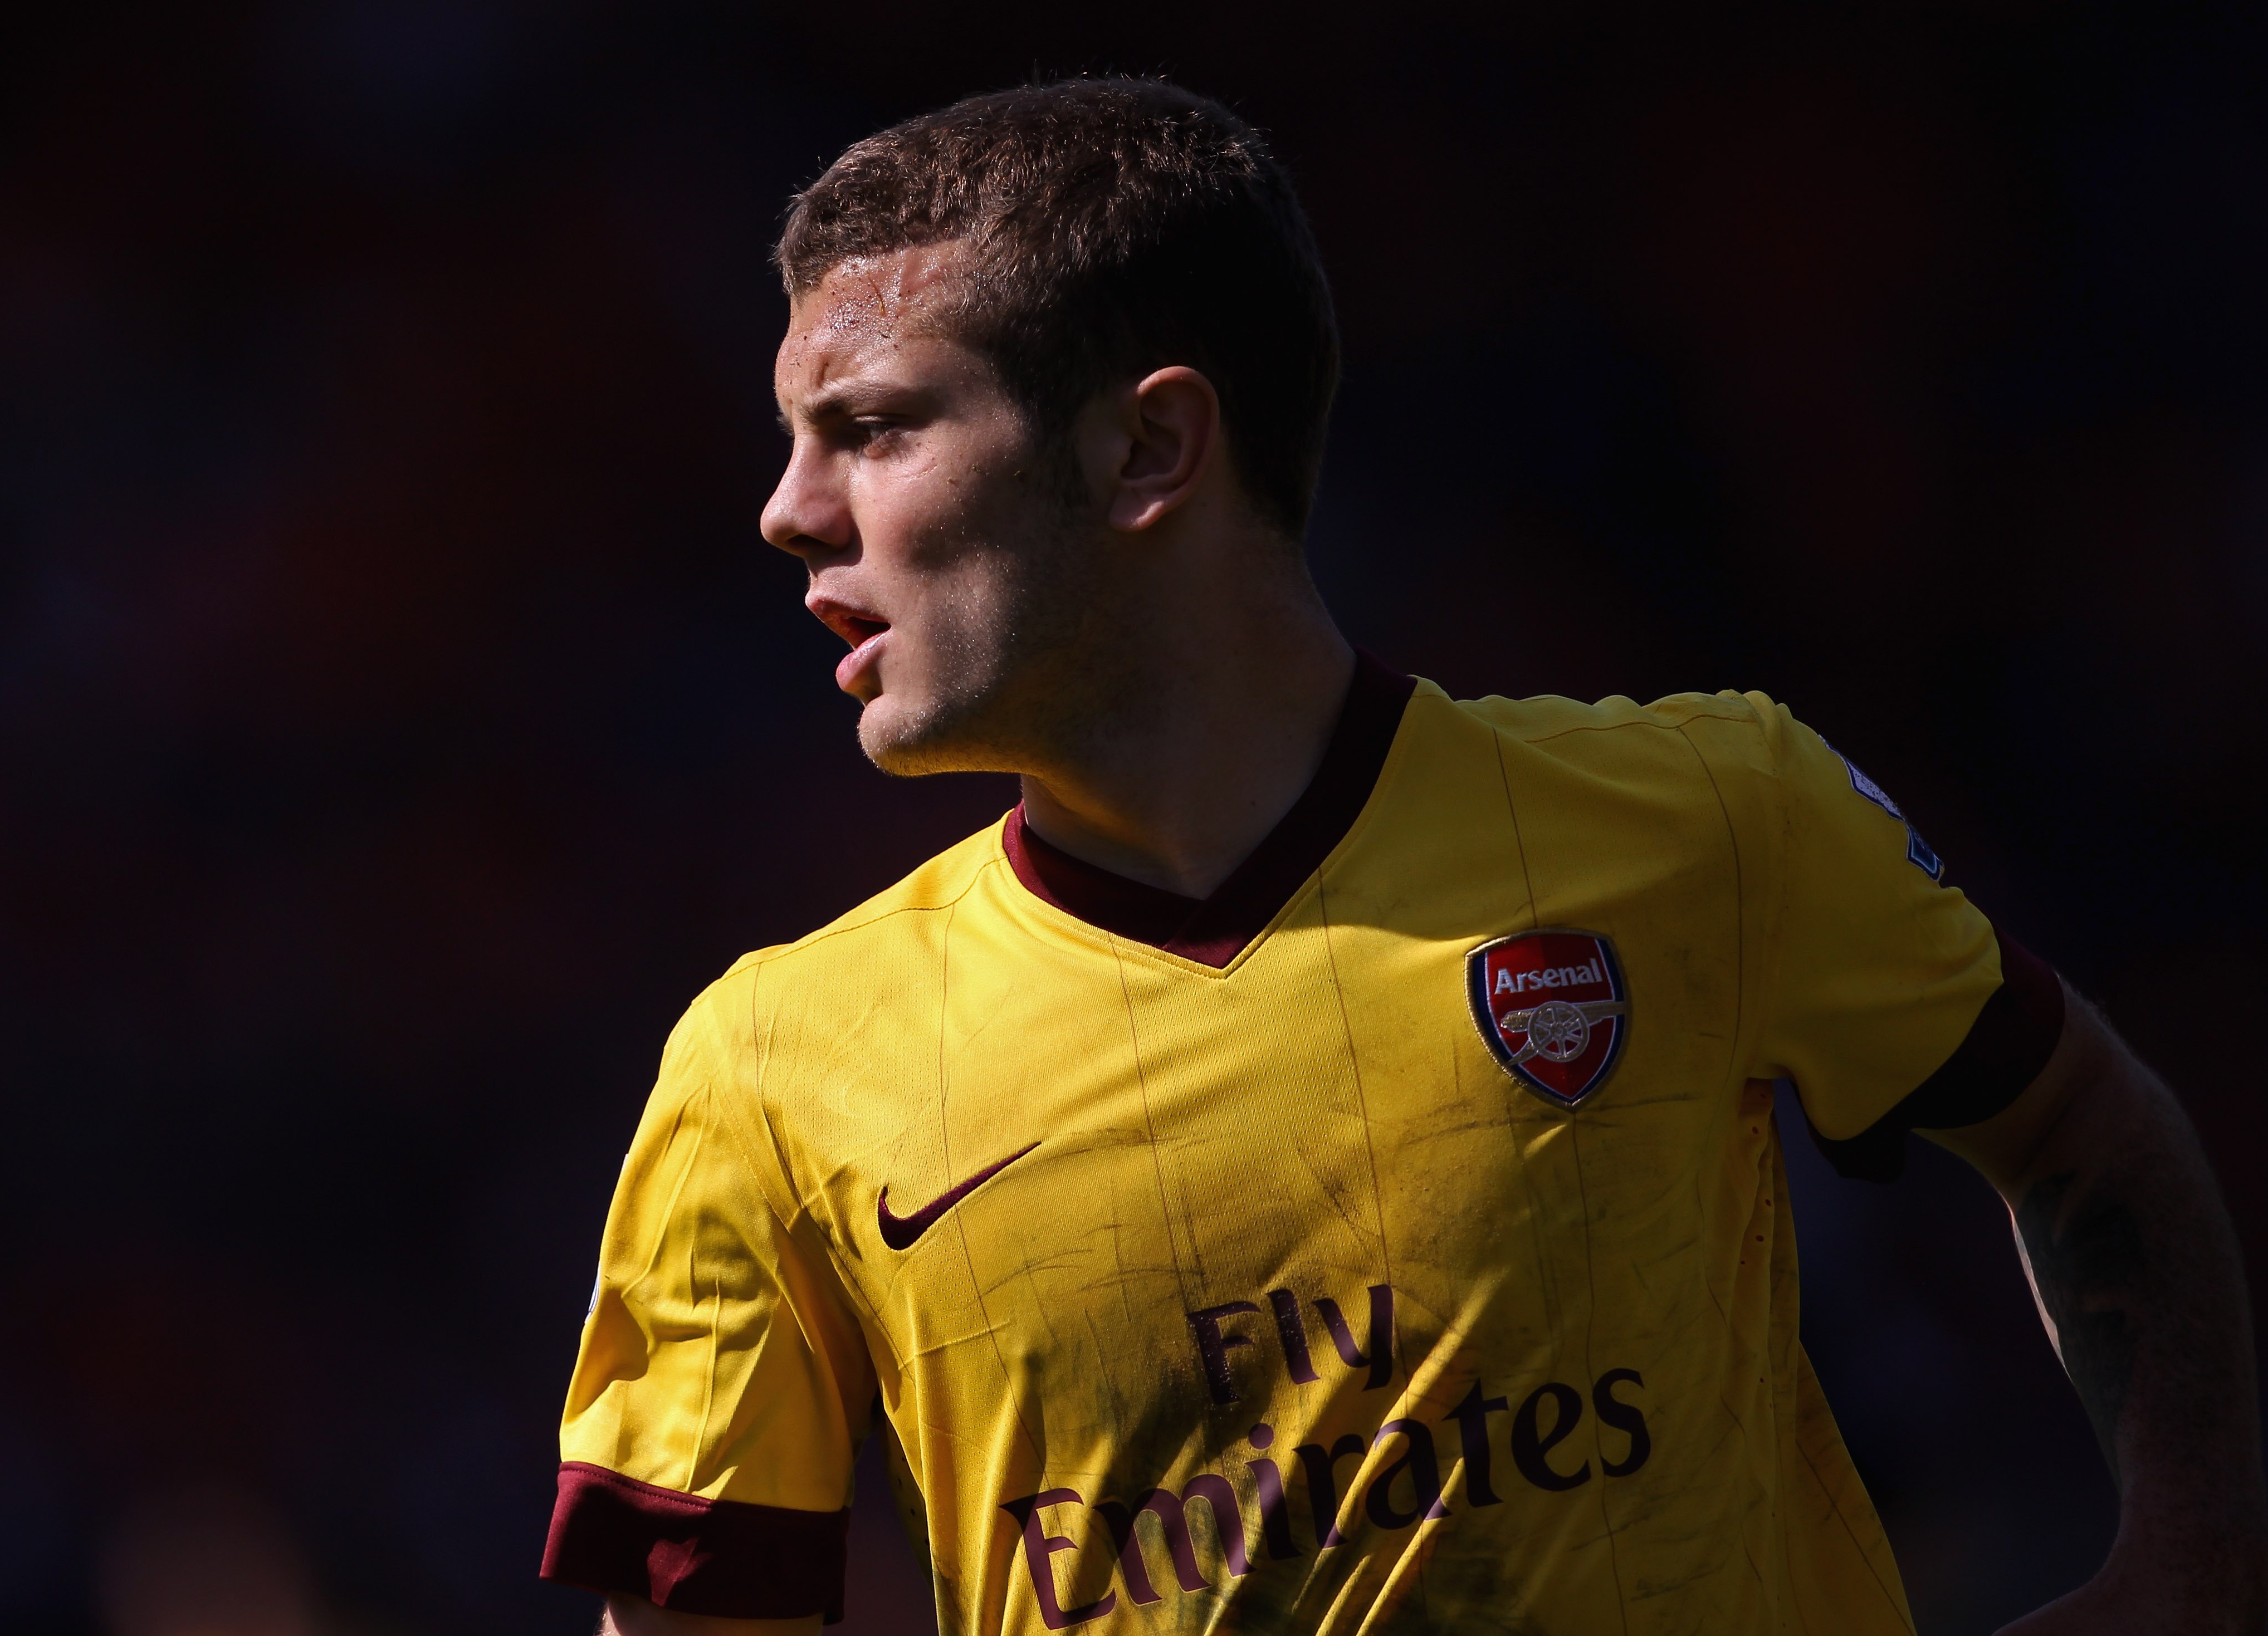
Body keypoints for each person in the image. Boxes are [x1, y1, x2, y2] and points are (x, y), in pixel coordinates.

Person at [538, 79, 2264, 1635]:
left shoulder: (1707, 813)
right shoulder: (768, 1062)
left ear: (1147, 446)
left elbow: (2080, 1130)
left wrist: (2188, 1571)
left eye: (874, 425)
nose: (786, 506)